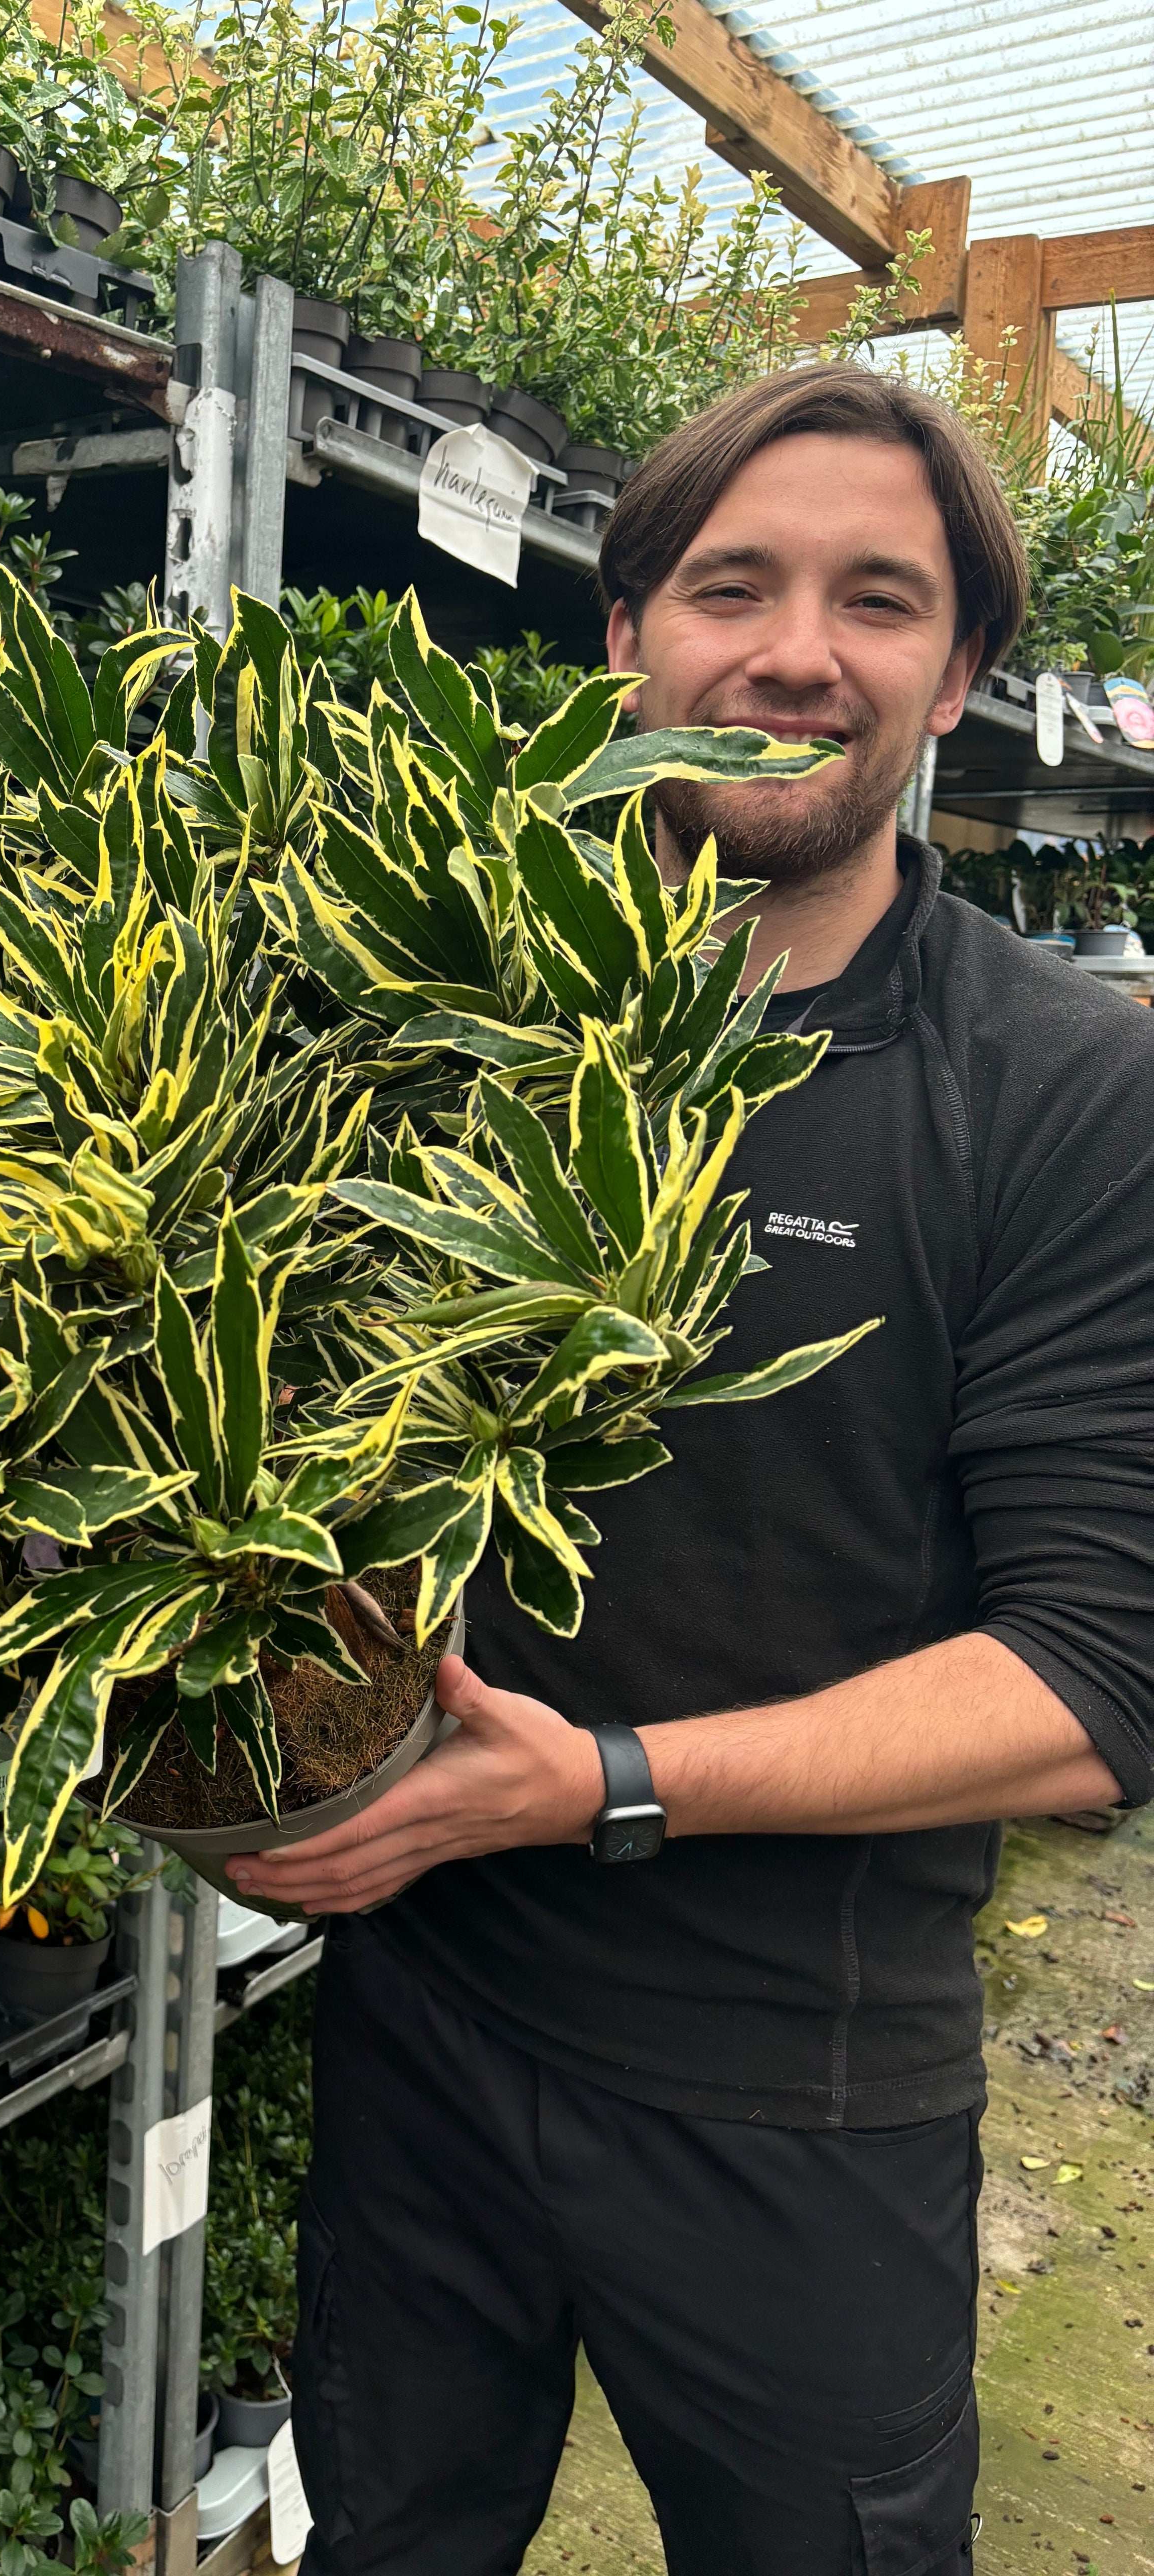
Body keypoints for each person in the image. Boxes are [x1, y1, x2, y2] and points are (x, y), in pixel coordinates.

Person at [228, 363, 1154, 2575]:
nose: (796, 650)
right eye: (730, 583)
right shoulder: (437, 1013)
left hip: (796, 2094)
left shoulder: (1057, 1089)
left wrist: (606, 1777)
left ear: (961, 673)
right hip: (424, 2018)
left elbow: (1096, 1680)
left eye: (878, 598)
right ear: (624, 633)